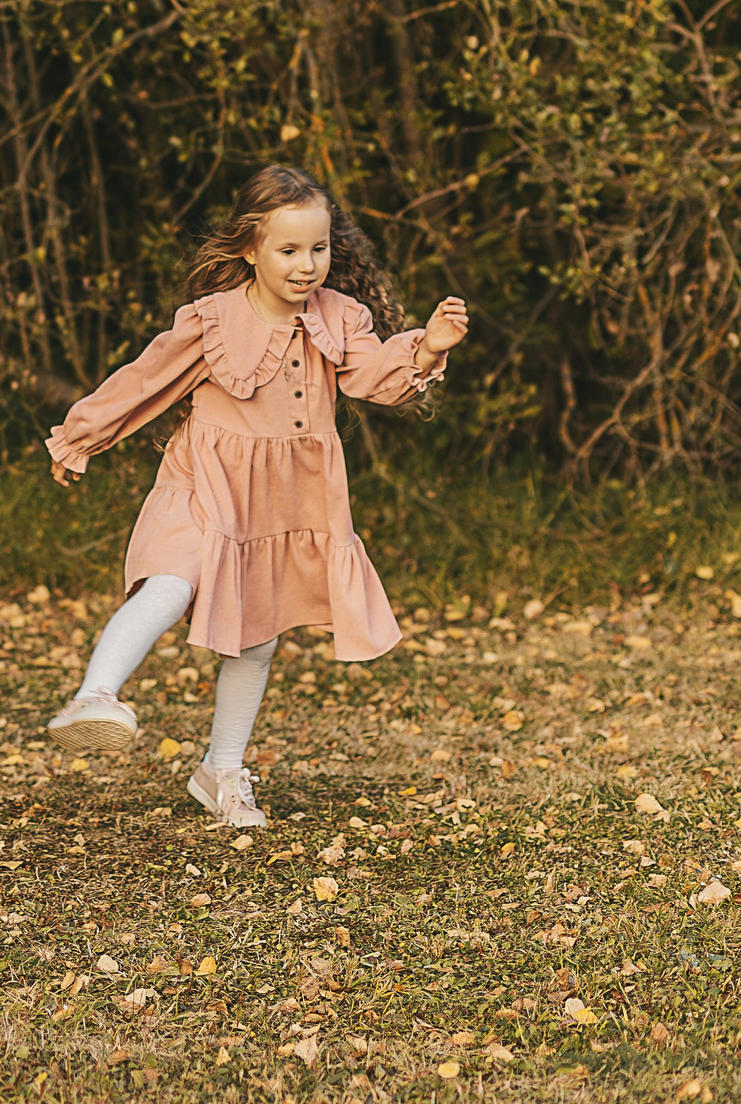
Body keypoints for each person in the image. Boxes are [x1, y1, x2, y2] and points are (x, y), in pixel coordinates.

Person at [41, 163, 470, 828]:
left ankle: (221, 770)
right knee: (168, 585)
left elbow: (372, 378)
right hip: (205, 485)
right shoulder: (213, 320)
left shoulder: (340, 316)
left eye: (319, 249)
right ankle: (94, 695)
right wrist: (80, 436)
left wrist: (423, 351)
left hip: (286, 499)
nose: (307, 266)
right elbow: (143, 381)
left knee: (257, 641)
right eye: (289, 250)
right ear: (249, 247)